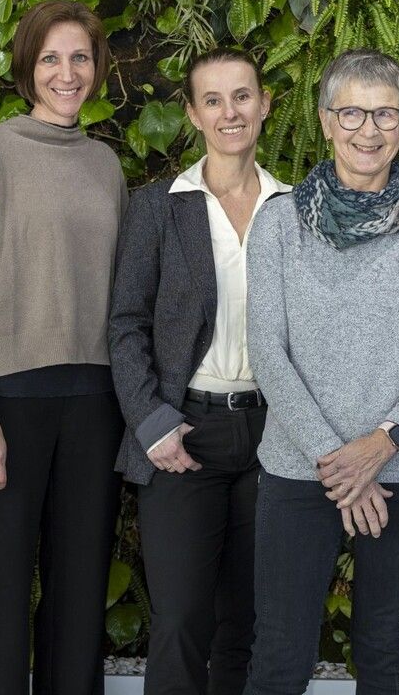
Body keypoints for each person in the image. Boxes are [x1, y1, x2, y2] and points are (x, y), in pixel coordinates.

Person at [242, 48, 399, 695]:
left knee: (385, 650)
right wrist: (340, 464)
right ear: (324, 121)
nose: (368, 130)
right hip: (299, 469)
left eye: (385, 114)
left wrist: (380, 446)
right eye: (352, 114)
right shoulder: (278, 224)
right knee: (280, 655)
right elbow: (269, 352)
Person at [0, 0, 127, 694]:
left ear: (97, 69)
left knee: (80, 595)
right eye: (51, 58)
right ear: (27, 66)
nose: (66, 73)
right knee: (0, 592)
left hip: (95, 405)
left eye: (80, 58)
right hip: (9, 405)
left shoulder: (105, 164)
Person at [110, 48, 290, 695]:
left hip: (271, 437)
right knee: (182, 618)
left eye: (241, 96)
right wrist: (151, 421)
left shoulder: (294, 208)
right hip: (182, 433)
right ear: (192, 114)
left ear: (264, 104)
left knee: (245, 621)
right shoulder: (160, 207)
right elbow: (125, 323)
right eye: (212, 100)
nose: (229, 112)